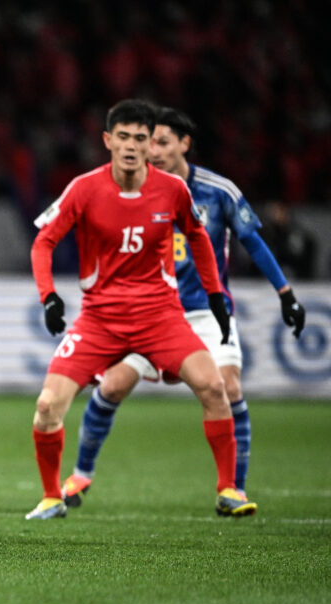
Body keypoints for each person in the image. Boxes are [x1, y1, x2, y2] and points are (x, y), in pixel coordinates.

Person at [61, 107, 306, 508]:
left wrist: (286, 294)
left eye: (159, 141)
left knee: (225, 387)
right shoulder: (131, 188)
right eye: (146, 141)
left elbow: (254, 243)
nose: (150, 150)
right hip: (152, 313)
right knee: (112, 386)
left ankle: (233, 489)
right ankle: (80, 477)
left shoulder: (217, 191)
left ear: (183, 144)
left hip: (205, 311)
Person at [25, 99, 257, 521]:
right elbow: (43, 242)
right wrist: (48, 295)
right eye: (124, 137)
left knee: (214, 387)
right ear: (107, 140)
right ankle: (51, 496)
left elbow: (199, 238)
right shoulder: (84, 188)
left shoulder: (171, 190)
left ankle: (229, 489)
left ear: (152, 144)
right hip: (100, 320)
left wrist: (216, 295)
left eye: (140, 138)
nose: (131, 146)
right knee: (46, 406)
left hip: (160, 317)